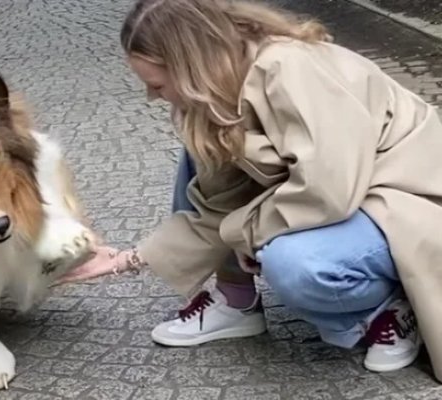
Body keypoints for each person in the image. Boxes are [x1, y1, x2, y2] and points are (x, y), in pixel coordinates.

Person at [56, 0, 442, 379]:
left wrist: (247, 232)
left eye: (156, 83)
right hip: (351, 197)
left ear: (191, 66)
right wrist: (127, 259)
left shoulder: (289, 69)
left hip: (406, 198)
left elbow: (328, 191)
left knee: (296, 264)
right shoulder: (217, 95)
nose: (152, 96)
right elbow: (214, 204)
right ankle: (235, 302)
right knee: (199, 160)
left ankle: (386, 309)